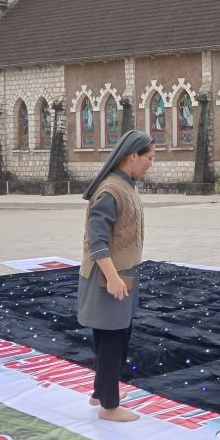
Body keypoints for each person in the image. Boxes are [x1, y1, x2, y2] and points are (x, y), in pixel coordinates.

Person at [77, 130, 155, 422]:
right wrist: (111, 277)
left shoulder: (124, 186)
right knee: (112, 340)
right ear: (132, 155)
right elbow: (96, 241)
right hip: (107, 279)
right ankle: (110, 406)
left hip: (120, 277)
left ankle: (100, 392)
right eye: (149, 158)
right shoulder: (110, 191)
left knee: (111, 337)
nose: (150, 164)